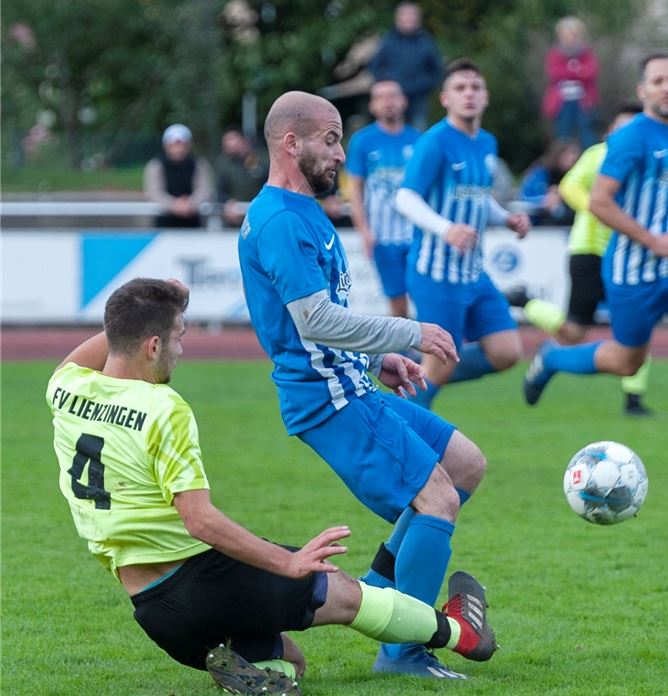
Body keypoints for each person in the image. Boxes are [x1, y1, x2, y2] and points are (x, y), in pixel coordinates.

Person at [47, 277, 498, 695]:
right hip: (204, 578)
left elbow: (118, 333)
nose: (182, 350)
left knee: (291, 659)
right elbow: (198, 519)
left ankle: (265, 674)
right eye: (179, 337)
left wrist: (153, 304)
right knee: (346, 594)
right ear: (152, 345)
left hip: (156, 614)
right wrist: (287, 562)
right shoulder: (163, 406)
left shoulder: (65, 388)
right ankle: (462, 634)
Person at [237, 90, 495, 679]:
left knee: (465, 465)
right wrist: (409, 335)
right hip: (327, 401)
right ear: (290, 142)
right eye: (330, 140)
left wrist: (378, 361)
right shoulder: (279, 219)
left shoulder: (303, 211)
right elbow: (314, 320)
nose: (340, 153)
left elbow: (313, 323)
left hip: (348, 383)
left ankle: (380, 585)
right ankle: (402, 651)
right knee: (437, 498)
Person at [522, 51, 668, 460]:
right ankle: (552, 359)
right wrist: (653, 240)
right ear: (643, 90)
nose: (667, 87)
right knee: (627, 361)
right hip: (633, 270)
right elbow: (601, 202)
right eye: (658, 81)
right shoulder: (630, 138)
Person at [394, 59, 532, 410]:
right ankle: (406, 429)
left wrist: (505, 218)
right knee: (439, 367)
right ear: (445, 99)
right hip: (436, 274)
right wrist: (446, 229)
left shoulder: (486, 143)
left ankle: (417, 367)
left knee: (506, 353)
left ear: (486, 97)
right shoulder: (435, 142)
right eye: (460, 88)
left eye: (475, 87)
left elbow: (477, 196)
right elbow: (405, 197)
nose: (468, 94)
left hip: (474, 273)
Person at [508, 104, 654, 416]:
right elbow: (569, 185)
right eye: (622, 127)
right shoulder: (599, 154)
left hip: (629, 255)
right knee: (574, 332)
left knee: (638, 325)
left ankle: (633, 400)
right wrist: (596, 208)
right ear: (610, 131)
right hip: (590, 251)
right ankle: (529, 308)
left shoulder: (647, 157)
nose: (628, 134)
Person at [346, 80, 420, 318]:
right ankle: (401, 352)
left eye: (393, 95)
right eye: (382, 97)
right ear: (372, 105)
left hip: (417, 234)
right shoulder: (362, 141)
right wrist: (363, 230)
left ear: (404, 101)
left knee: (426, 296)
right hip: (383, 236)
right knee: (397, 301)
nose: (388, 102)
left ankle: (430, 350)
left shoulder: (419, 140)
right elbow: (354, 188)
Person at [367, 2, 443, 130]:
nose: (409, 19)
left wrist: (424, 86)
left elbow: (437, 71)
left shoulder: (426, 43)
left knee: (418, 133)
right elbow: (374, 66)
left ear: (418, 19)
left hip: (418, 100)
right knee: (388, 131)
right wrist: (386, 83)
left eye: (412, 15)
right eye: (405, 15)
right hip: (392, 99)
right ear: (398, 18)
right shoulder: (388, 42)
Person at [542, 16, 599, 148]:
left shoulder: (586, 52)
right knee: (563, 139)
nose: (569, 38)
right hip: (562, 103)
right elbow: (555, 73)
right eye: (565, 35)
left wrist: (569, 71)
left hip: (584, 103)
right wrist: (578, 70)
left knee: (588, 137)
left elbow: (591, 72)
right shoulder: (555, 53)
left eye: (572, 34)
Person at [144, 124, 212, 229]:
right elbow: (153, 192)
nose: (179, 149)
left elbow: (204, 189)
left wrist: (191, 203)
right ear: (166, 146)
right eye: (174, 145)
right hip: (163, 223)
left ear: (189, 145)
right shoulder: (156, 165)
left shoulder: (199, 164)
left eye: (182, 144)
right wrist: (174, 204)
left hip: (193, 223)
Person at [516, 139, 581, 226]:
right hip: (539, 225)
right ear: (558, 156)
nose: (571, 162)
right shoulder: (540, 174)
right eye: (567, 157)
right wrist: (544, 200)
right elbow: (521, 198)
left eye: (574, 159)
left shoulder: (577, 176)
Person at [215, 126, 269, 227]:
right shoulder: (223, 164)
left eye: (231, 139)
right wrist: (227, 203)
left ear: (244, 140)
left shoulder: (263, 160)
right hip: (232, 221)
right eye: (225, 141)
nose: (227, 144)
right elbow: (220, 192)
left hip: (259, 217)